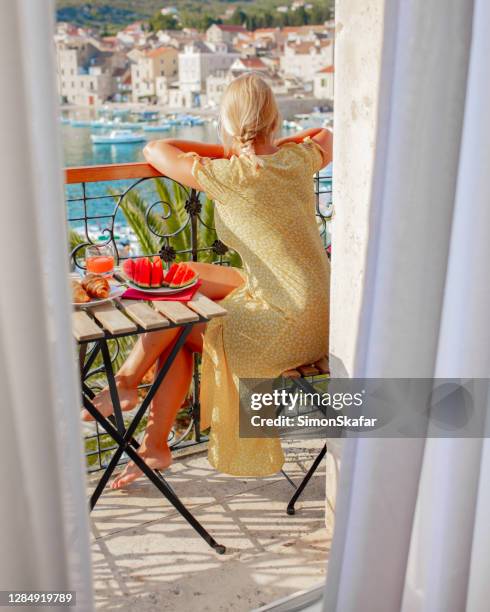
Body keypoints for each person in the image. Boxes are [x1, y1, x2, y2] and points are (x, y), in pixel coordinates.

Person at [85, 73, 332, 489]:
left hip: (287, 322)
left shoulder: (226, 175)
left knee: (175, 325)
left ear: (230, 122)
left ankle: (134, 398)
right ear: (273, 117)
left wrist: (228, 149)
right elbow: (325, 133)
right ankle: (147, 424)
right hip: (320, 307)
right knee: (182, 278)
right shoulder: (297, 160)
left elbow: (154, 149)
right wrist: (264, 147)